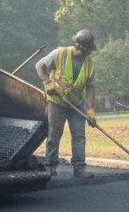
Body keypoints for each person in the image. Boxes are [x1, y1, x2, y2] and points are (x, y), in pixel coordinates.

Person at [36, 30, 97, 178]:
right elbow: (39, 66)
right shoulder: (59, 53)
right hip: (57, 102)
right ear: (77, 46)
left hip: (77, 103)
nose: (86, 54)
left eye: (89, 50)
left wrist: (90, 109)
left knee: (79, 136)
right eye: (84, 50)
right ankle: (50, 167)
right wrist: (47, 83)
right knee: (54, 135)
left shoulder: (91, 64)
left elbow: (90, 87)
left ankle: (79, 169)